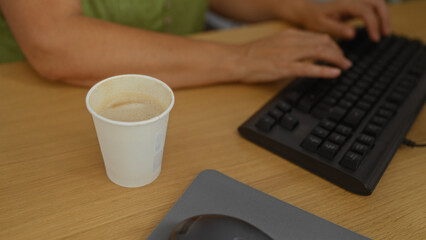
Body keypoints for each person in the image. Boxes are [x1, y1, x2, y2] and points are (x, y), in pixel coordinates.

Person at [0, 0, 390, 88]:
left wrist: (291, 6)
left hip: (186, 82)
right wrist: (240, 58)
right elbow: (54, 41)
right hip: (47, 104)